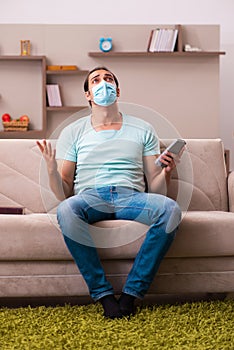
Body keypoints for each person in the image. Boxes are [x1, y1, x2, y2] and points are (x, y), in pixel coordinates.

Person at [37, 66, 182, 319]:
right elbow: (64, 191)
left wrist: (166, 173)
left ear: (117, 90)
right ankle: (104, 296)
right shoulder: (73, 131)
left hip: (131, 196)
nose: (103, 83)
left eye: (108, 79)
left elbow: (156, 187)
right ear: (88, 94)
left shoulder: (143, 128)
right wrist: (51, 170)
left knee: (170, 210)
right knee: (66, 209)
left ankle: (131, 294)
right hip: (90, 197)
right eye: (96, 80)